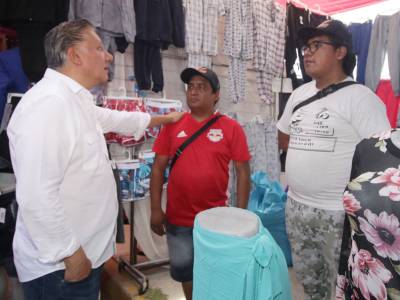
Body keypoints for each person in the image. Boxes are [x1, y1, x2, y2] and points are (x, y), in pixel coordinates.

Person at [7, 19, 183, 300]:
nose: (109, 55)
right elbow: (37, 195)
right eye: (99, 48)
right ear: (75, 56)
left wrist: (164, 118)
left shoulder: (75, 100)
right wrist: (71, 254)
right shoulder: (49, 105)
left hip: (84, 257)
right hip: (61, 269)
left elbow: (115, 119)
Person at [277, 19, 391, 300]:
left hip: (338, 216)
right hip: (298, 207)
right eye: (306, 46)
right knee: (309, 281)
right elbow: (284, 137)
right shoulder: (300, 94)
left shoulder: (362, 99)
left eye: (317, 45)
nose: (306, 52)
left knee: (342, 286)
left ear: (340, 52)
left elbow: (381, 160)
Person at [150, 67, 251, 300]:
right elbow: (157, 168)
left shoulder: (231, 128)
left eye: (202, 87)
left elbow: (243, 172)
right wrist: (156, 209)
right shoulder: (172, 124)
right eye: (191, 86)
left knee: (217, 273)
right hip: (179, 220)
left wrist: (241, 215)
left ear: (216, 95)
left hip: (216, 222)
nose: (194, 91)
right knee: (187, 273)